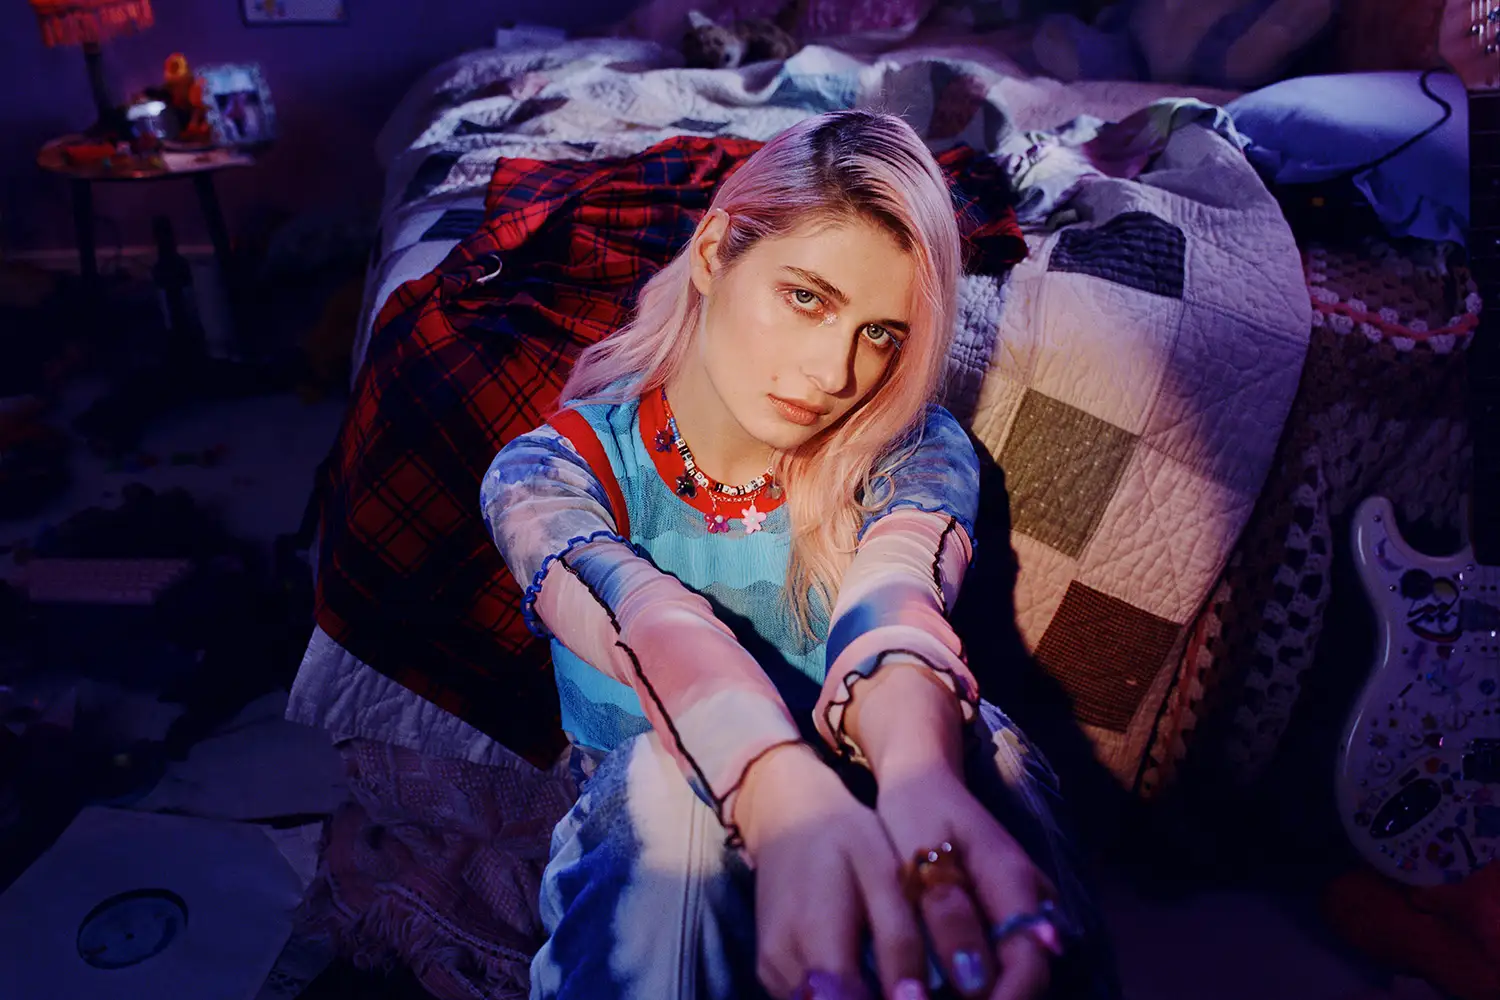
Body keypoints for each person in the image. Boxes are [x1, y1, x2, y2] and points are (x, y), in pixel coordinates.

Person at [480, 109, 1118, 1000]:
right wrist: (775, 788)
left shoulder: (911, 448)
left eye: (881, 333)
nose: (835, 374)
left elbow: (895, 596)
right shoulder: (553, 470)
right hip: (665, 879)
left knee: (991, 749)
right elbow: (648, 622)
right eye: (808, 298)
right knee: (664, 786)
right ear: (714, 255)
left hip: (867, 811)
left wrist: (920, 775)